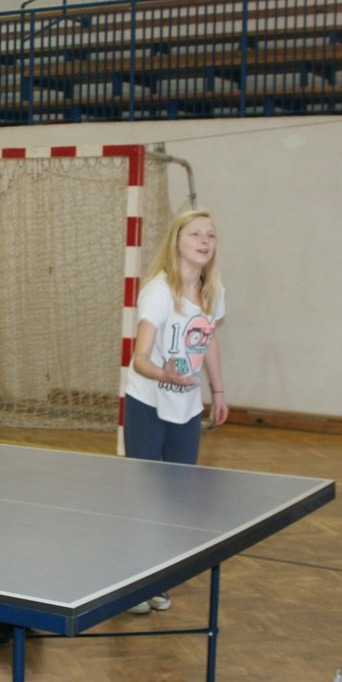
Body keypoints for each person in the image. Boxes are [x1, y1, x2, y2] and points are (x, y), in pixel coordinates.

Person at [121, 208, 229, 613]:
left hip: (186, 407)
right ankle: (131, 584)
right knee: (144, 496)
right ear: (177, 242)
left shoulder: (213, 291)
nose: (204, 241)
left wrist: (218, 391)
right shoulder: (158, 292)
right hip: (147, 403)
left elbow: (209, 340)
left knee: (177, 498)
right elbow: (139, 359)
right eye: (196, 234)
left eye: (210, 235)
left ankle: (157, 580)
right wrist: (163, 373)